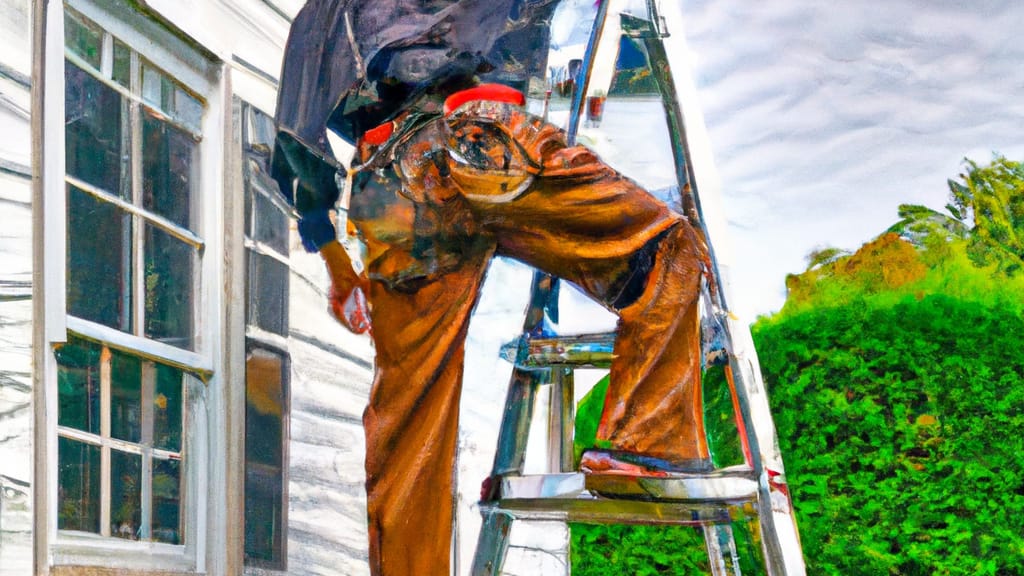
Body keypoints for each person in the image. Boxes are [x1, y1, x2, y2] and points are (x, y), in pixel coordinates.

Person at [272, 1, 712, 574]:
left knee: (408, 432)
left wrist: (337, 266)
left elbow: (294, 148)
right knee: (668, 247)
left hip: (390, 185)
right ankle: (646, 441)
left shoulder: (322, 11)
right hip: (482, 137)